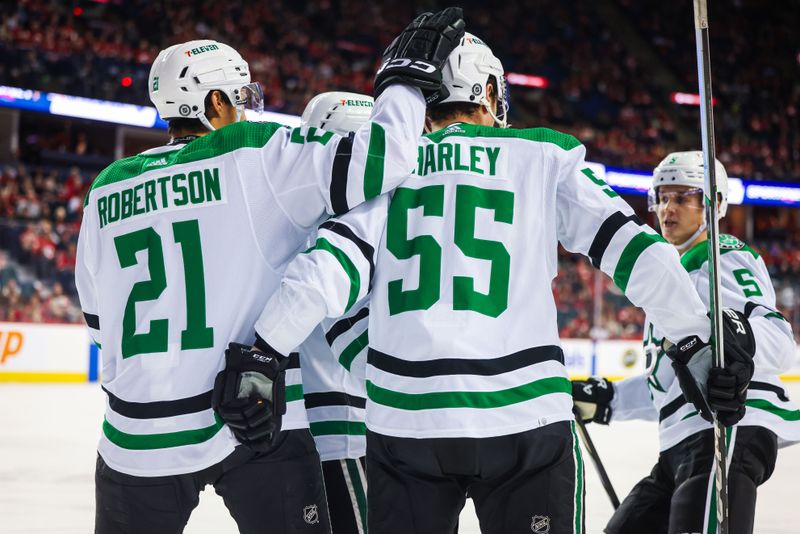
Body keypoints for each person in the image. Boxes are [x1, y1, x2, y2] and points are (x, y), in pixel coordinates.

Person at [246, 34, 752, 534]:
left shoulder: (389, 169)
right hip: (523, 419)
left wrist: (264, 352)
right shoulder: (542, 154)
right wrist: (695, 335)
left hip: (407, 421)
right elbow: (634, 250)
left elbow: (326, 269)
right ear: (488, 92)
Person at [76, 9, 466, 533]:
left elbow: (99, 317)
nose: (248, 109)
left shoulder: (106, 186)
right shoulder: (252, 152)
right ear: (215, 103)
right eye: (241, 97)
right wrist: (403, 78)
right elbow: (384, 158)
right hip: (251, 420)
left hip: (135, 436)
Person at [572, 151, 800, 534]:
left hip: (727, 426)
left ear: (714, 204)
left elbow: (777, 340)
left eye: (682, 197)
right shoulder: (669, 283)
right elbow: (665, 387)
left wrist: (738, 334)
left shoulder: (722, 257)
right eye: (661, 197)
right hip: (682, 442)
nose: (667, 208)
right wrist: (608, 400)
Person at [298, 91, 374, 534]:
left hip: (294, 432)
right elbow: (364, 350)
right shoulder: (346, 236)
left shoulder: (290, 223)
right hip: (345, 437)